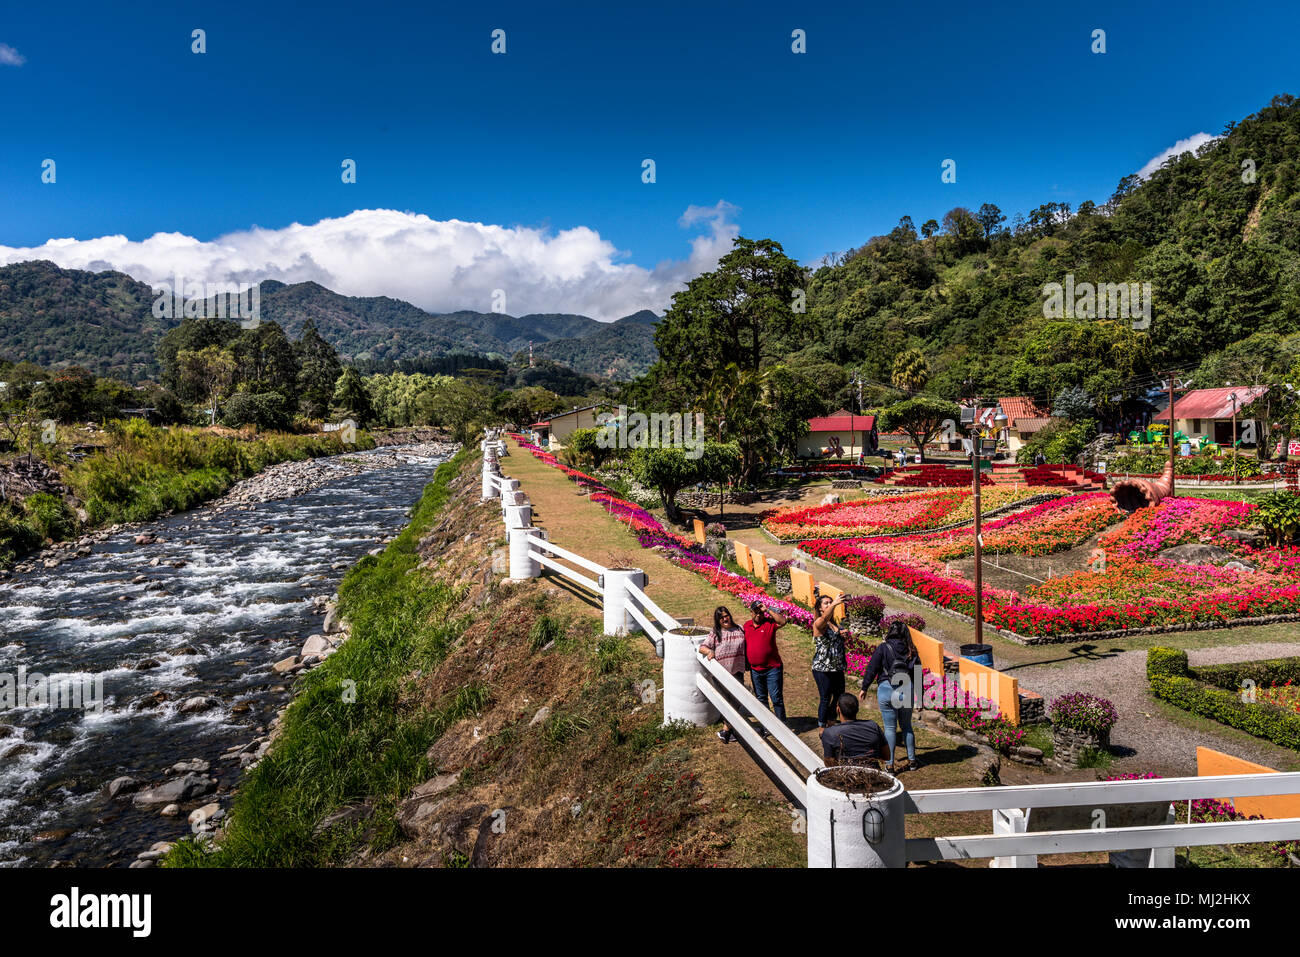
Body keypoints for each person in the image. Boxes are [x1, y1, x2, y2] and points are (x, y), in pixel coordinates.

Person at [860, 619, 920, 772]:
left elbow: (872, 668)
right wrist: (919, 697)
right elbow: (918, 675)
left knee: (890, 728)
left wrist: (865, 687)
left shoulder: (883, 647)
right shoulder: (911, 650)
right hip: (906, 690)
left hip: (887, 689)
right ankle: (912, 761)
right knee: (907, 726)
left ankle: (890, 764)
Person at [700, 606, 747, 743]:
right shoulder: (715, 632)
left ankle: (726, 730)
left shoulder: (739, 629)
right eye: (721, 618)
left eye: (726, 616)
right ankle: (728, 730)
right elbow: (703, 647)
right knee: (727, 703)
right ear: (718, 620)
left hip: (738, 670)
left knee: (737, 701)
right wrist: (709, 652)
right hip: (722, 673)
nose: (725, 619)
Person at [743, 599, 787, 733]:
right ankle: (767, 726)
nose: (758, 615)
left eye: (760, 612)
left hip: (772, 669)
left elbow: (783, 622)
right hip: (755, 670)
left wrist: (767, 609)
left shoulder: (770, 624)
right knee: (761, 699)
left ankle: (781, 727)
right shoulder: (746, 626)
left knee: (776, 698)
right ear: (751, 612)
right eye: (755, 612)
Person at [819, 694, 889, 767]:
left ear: (838, 710)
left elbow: (830, 764)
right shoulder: (873, 726)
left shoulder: (829, 733)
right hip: (873, 773)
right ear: (857, 710)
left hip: (843, 776)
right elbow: (887, 756)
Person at [810, 593, 847, 728]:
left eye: (829, 602)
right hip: (822, 668)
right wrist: (835, 603)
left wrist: (842, 634)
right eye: (826, 603)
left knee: (839, 695)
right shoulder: (819, 622)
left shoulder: (833, 623)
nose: (829, 604)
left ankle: (831, 720)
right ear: (820, 608)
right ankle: (821, 725)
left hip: (836, 667)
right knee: (825, 697)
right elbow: (825, 618)